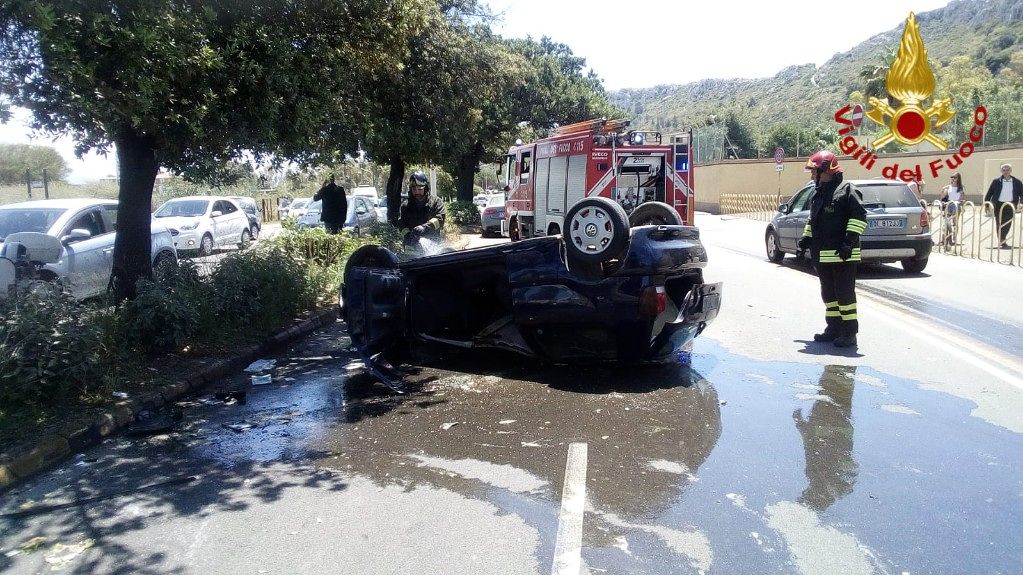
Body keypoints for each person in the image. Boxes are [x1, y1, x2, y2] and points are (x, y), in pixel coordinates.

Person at [797, 151, 867, 348]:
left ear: (826, 170)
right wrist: (806, 239)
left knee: (845, 297)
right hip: (823, 255)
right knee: (829, 296)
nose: (812, 175)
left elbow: (859, 218)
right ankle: (833, 328)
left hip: (843, 255)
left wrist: (848, 242)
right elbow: (813, 220)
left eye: (814, 171)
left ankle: (849, 333)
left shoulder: (847, 191)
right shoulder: (818, 193)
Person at [398, 170, 446, 246]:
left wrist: (425, 227)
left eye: (420, 189)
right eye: (414, 189)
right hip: (412, 246)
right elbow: (402, 224)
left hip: (433, 244)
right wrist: (407, 235)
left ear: (426, 189)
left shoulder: (436, 202)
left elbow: (440, 219)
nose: (417, 192)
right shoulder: (405, 205)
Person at [984, 163, 1023, 249]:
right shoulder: (996, 181)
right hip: (998, 204)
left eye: (1007, 169)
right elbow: (989, 193)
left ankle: (1002, 238)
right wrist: (987, 205)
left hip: (1011, 204)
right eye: (1004, 170)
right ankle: (1002, 240)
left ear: (1011, 170)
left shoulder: (1017, 182)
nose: (1006, 171)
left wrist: (1021, 203)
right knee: (999, 222)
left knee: (1008, 222)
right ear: (1001, 171)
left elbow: (1022, 193)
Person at [939, 172, 965, 247]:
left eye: (955, 177)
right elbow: (943, 195)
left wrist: (960, 202)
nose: (953, 179)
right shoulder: (948, 187)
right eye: (952, 177)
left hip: (956, 205)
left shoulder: (961, 187)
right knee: (946, 222)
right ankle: (944, 239)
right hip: (949, 204)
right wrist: (942, 198)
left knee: (955, 223)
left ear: (958, 178)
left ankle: (954, 239)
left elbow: (962, 197)